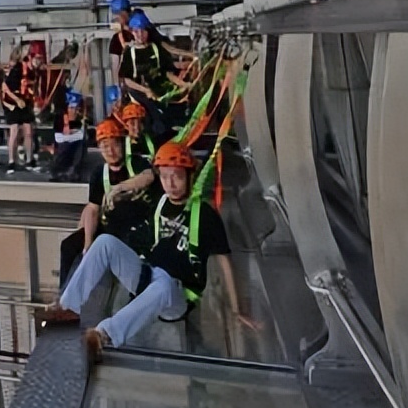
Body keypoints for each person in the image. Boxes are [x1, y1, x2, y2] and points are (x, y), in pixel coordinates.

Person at [41, 141, 253, 362]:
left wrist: (238, 310)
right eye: (165, 176)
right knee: (104, 242)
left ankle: (103, 334)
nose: (170, 183)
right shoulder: (160, 203)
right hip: (149, 274)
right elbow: (144, 180)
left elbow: (225, 261)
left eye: (177, 176)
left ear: (190, 176)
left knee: (163, 286)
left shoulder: (206, 216)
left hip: (177, 295)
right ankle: (67, 307)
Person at [57, 116, 154, 283]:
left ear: (122, 144)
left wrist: (120, 188)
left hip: (136, 227)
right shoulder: (99, 173)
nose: (110, 151)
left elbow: (148, 176)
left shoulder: (135, 163)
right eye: (104, 146)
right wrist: (88, 245)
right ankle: (65, 295)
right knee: (69, 246)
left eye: (114, 144)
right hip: (108, 228)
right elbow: (93, 209)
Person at [119, 11, 191, 135]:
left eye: (143, 31)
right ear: (132, 32)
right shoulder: (128, 53)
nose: (140, 35)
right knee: (154, 124)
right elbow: (127, 80)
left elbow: (166, 72)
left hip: (161, 95)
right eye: (136, 31)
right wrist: (145, 90)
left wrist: (183, 84)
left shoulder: (155, 48)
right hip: (140, 98)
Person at [108, 0, 194, 80]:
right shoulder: (117, 39)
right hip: (138, 75)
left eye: (117, 17)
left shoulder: (144, 28)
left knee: (180, 66)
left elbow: (166, 47)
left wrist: (191, 55)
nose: (139, 34)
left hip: (156, 68)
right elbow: (115, 64)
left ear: (123, 14)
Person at [2, 40, 44, 172]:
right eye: (37, 58)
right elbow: (5, 86)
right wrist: (16, 100)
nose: (38, 61)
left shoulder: (35, 72)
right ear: (31, 57)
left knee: (28, 130)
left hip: (26, 102)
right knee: (14, 130)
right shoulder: (19, 68)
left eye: (40, 59)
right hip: (12, 103)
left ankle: (30, 160)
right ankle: (11, 161)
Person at [48, 90, 87, 182]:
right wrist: (73, 135)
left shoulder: (79, 120)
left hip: (74, 144)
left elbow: (82, 135)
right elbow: (59, 138)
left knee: (81, 144)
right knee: (65, 146)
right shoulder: (59, 118)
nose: (75, 111)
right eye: (72, 108)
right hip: (63, 145)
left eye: (77, 109)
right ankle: (58, 172)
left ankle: (74, 171)